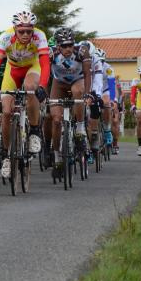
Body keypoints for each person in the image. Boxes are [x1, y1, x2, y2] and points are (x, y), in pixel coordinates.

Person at [0, 10, 49, 177]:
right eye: (21, 31)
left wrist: (43, 86)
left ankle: (35, 131)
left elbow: (45, 64)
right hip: (12, 69)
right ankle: (7, 156)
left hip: (32, 67)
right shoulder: (5, 37)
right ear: (14, 29)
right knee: (7, 112)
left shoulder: (40, 36)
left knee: (31, 87)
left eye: (29, 31)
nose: (25, 34)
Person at [48, 28, 93, 175]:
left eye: (70, 45)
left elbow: (87, 74)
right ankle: (57, 158)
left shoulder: (82, 51)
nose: (68, 49)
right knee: (55, 120)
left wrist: (87, 94)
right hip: (59, 84)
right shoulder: (51, 53)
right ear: (58, 46)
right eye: (64, 45)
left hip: (77, 81)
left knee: (77, 92)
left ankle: (80, 129)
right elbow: (44, 73)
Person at [130, 66, 141, 156]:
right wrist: (133, 105)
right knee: (140, 121)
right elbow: (133, 94)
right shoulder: (136, 81)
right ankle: (140, 146)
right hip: (140, 103)